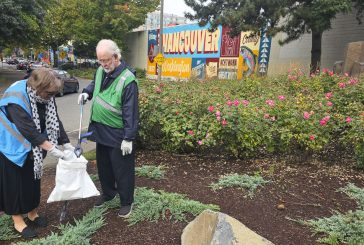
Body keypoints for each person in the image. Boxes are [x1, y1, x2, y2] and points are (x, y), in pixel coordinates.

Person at [0, 68, 75, 238]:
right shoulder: (16, 98)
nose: (52, 97)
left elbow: (55, 118)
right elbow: (29, 130)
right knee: (15, 185)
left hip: (34, 146)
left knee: (33, 180)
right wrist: (52, 148)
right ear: (38, 87)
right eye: (50, 93)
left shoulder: (46, 94)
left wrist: (66, 144)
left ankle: (32, 213)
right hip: (12, 146)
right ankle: (18, 220)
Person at [78, 39, 139, 218]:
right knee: (104, 166)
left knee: (122, 169)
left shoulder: (128, 80)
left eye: (106, 60)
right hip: (100, 129)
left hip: (118, 133)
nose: (104, 64)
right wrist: (86, 93)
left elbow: (131, 112)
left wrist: (128, 138)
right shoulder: (100, 70)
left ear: (116, 56)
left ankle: (126, 201)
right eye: (100, 60)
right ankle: (108, 193)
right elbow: (94, 84)